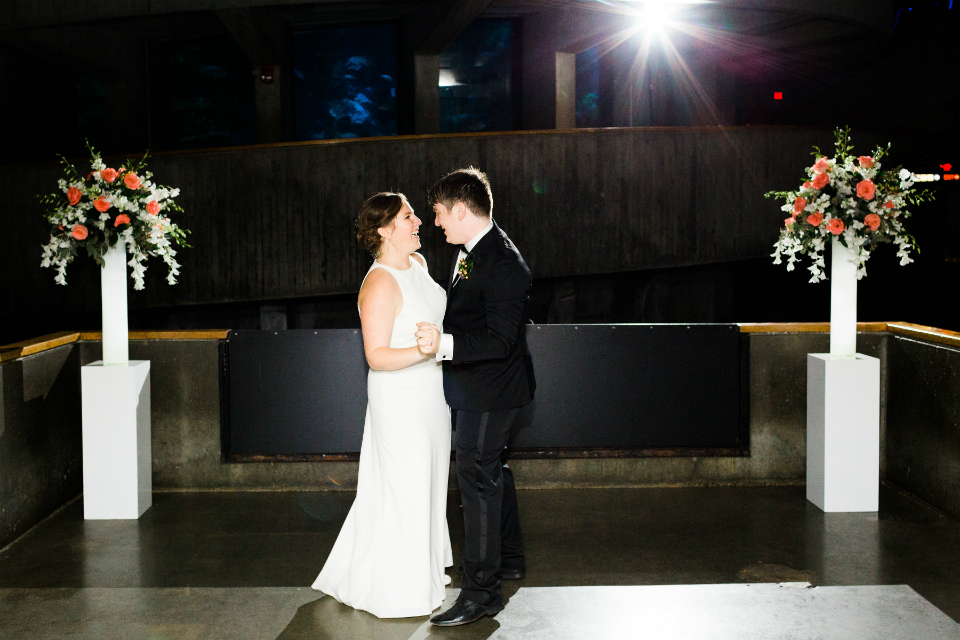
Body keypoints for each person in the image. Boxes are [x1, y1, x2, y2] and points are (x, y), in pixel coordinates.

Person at [312, 192, 453, 618]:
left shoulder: (420, 265)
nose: (418, 223)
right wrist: (425, 350)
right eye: (409, 217)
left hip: (432, 395)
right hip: (399, 400)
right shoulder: (377, 284)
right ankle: (399, 586)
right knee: (404, 486)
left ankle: (424, 567)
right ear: (383, 230)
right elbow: (376, 355)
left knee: (429, 481)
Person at [416, 168, 536, 627]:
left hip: (493, 391)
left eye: (441, 213)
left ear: (461, 210)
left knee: (476, 477)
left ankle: (482, 594)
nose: (437, 222)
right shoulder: (471, 251)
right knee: (492, 470)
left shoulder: (505, 263)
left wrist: (442, 345)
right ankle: (509, 558)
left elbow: (500, 341)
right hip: (482, 386)